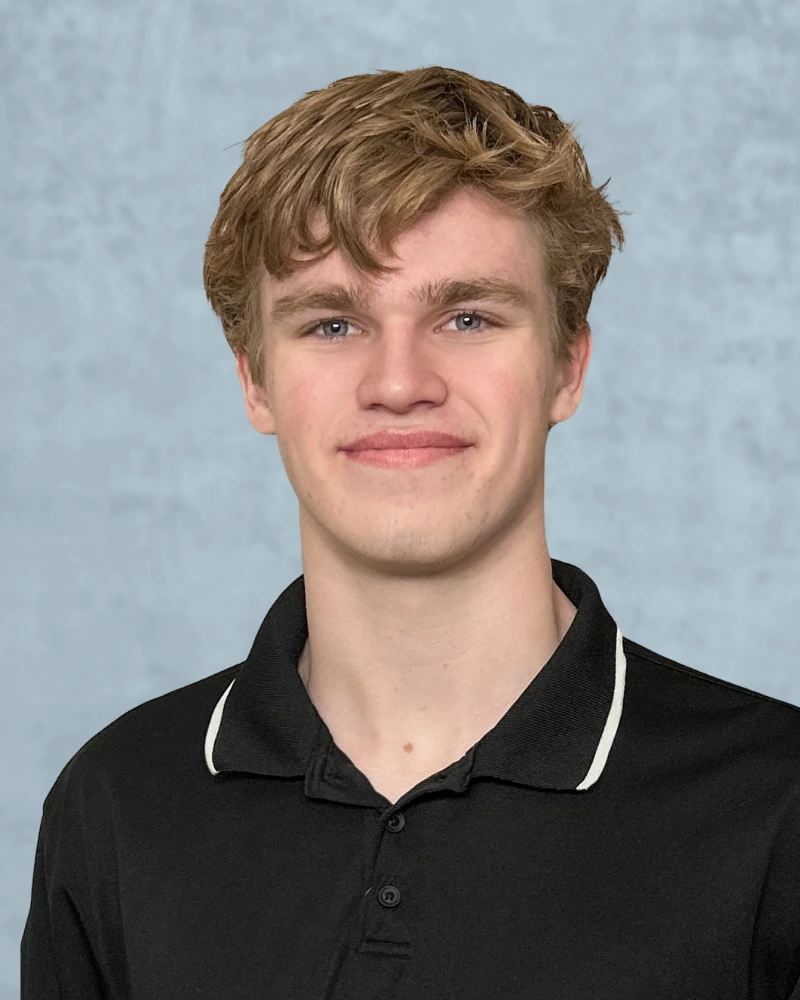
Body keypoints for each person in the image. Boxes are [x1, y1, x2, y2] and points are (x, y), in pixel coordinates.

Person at [21, 65, 800, 999]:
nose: (399, 382)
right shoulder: (116, 804)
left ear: (567, 366)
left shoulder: (777, 807)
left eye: (467, 317)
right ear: (255, 383)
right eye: (334, 323)